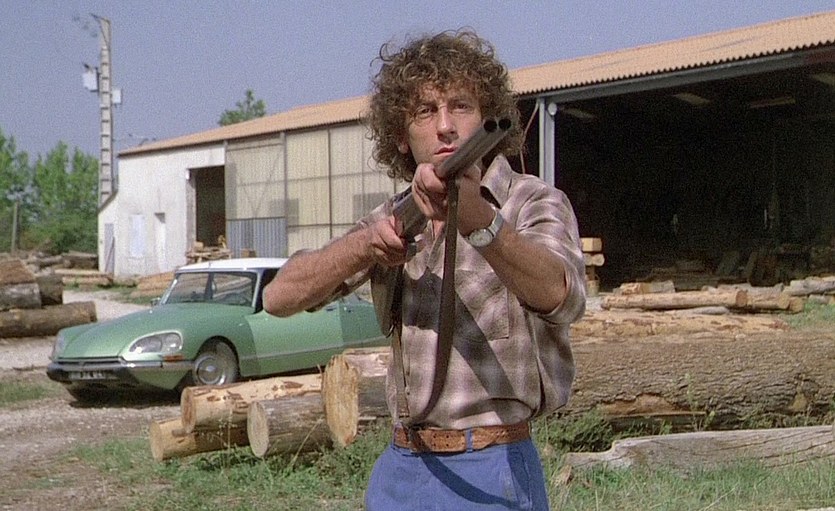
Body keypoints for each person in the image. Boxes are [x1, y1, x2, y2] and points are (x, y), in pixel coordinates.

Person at [263, 29, 586, 510]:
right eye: (425, 111)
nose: (446, 127)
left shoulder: (531, 202)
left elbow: (562, 296)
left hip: (492, 465)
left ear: (487, 118)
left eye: (461, 107)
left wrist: (481, 221)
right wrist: (366, 245)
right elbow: (278, 297)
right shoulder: (396, 213)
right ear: (402, 134)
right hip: (403, 466)